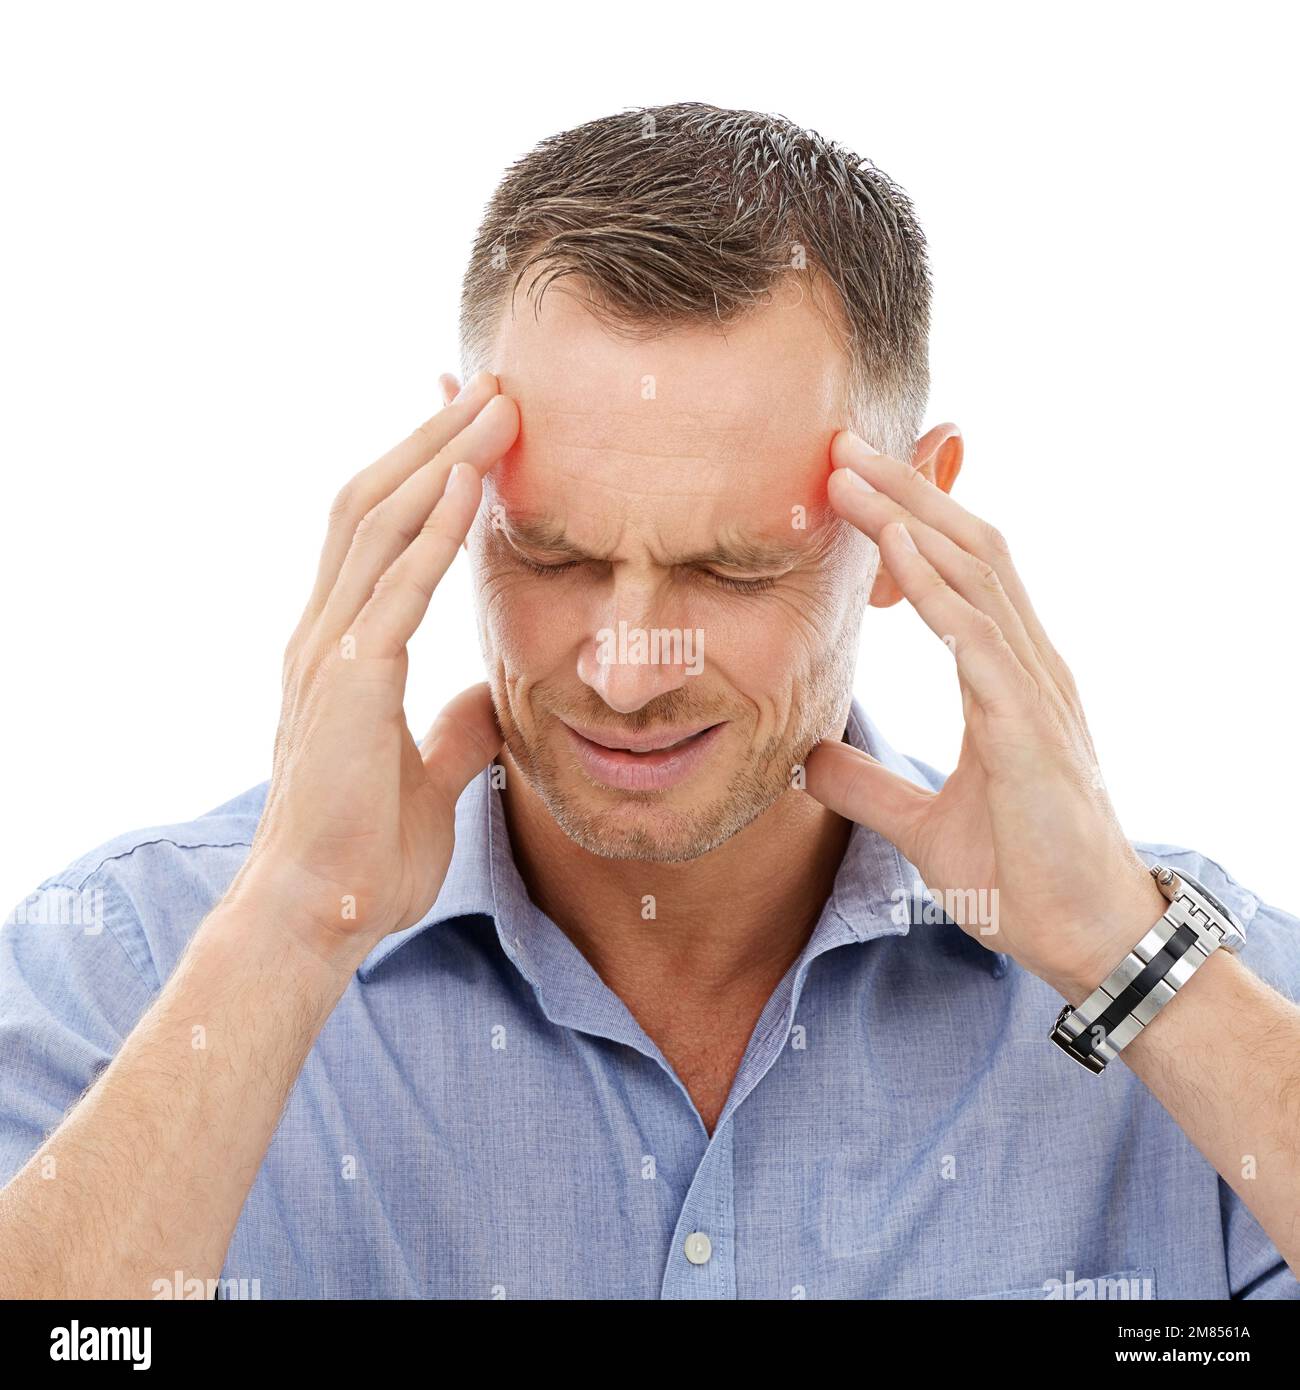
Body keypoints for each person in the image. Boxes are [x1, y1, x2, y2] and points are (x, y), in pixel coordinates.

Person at [2, 102, 1297, 1300]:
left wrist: (1130, 962)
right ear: (451, 485)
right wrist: (284, 932)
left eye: (732, 568)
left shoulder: (1216, 995)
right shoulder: (128, 961)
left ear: (915, 516)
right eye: (552, 556)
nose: (628, 669)